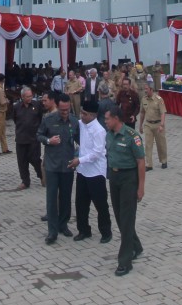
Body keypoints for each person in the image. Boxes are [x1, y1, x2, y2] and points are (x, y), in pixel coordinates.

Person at [103, 108, 145, 276]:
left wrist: (141, 187)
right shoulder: (109, 134)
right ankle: (136, 245)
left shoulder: (132, 136)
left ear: (116, 119)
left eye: (107, 119)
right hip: (114, 177)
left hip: (129, 178)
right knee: (120, 217)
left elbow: (141, 162)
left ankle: (125, 261)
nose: (105, 121)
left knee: (127, 219)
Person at [36, 93, 77, 245]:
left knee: (66, 198)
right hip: (52, 166)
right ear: (57, 106)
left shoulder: (74, 121)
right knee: (52, 199)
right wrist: (48, 140)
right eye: (62, 110)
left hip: (68, 165)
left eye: (67, 109)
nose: (65, 112)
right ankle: (52, 231)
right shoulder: (48, 119)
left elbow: (79, 140)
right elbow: (39, 135)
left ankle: (63, 225)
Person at [71, 101, 111, 244]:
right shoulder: (81, 124)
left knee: (100, 204)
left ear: (93, 115)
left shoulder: (99, 130)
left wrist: (79, 160)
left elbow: (97, 153)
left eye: (85, 114)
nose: (82, 115)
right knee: (81, 203)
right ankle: (84, 230)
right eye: (81, 112)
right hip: (82, 171)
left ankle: (106, 231)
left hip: (95, 172)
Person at [12, 86, 44, 190]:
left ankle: (42, 176)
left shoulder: (37, 105)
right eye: (27, 96)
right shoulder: (16, 107)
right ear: (22, 97)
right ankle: (25, 181)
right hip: (21, 138)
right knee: (22, 161)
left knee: (35, 159)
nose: (29, 98)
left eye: (31, 96)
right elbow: (15, 119)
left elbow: (40, 118)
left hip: (34, 138)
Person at [138, 84, 169, 170]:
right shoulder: (143, 99)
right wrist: (140, 125)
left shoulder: (159, 99)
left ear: (151, 89)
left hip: (158, 124)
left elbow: (163, 113)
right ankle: (149, 164)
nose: (145, 90)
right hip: (148, 124)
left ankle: (163, 160)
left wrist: (162, 125)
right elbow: (142, 113)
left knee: (161, 144)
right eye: (144, 89)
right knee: (148, 144)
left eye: (146, 89)